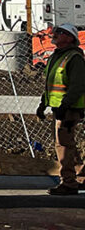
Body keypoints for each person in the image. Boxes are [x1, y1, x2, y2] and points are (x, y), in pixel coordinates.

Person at [36, 23, 85, 195]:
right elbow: (50, 85)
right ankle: (79, 176)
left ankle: (69, 183)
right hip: (59, 107)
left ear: (70, 38)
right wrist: (43, 104)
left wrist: (65, 106)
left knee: (63, 145)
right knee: (66, 143)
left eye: (60, 32)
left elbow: (78, 85)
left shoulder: (74, 58)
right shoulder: (57, 56)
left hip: (68, 109)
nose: (55, 34)